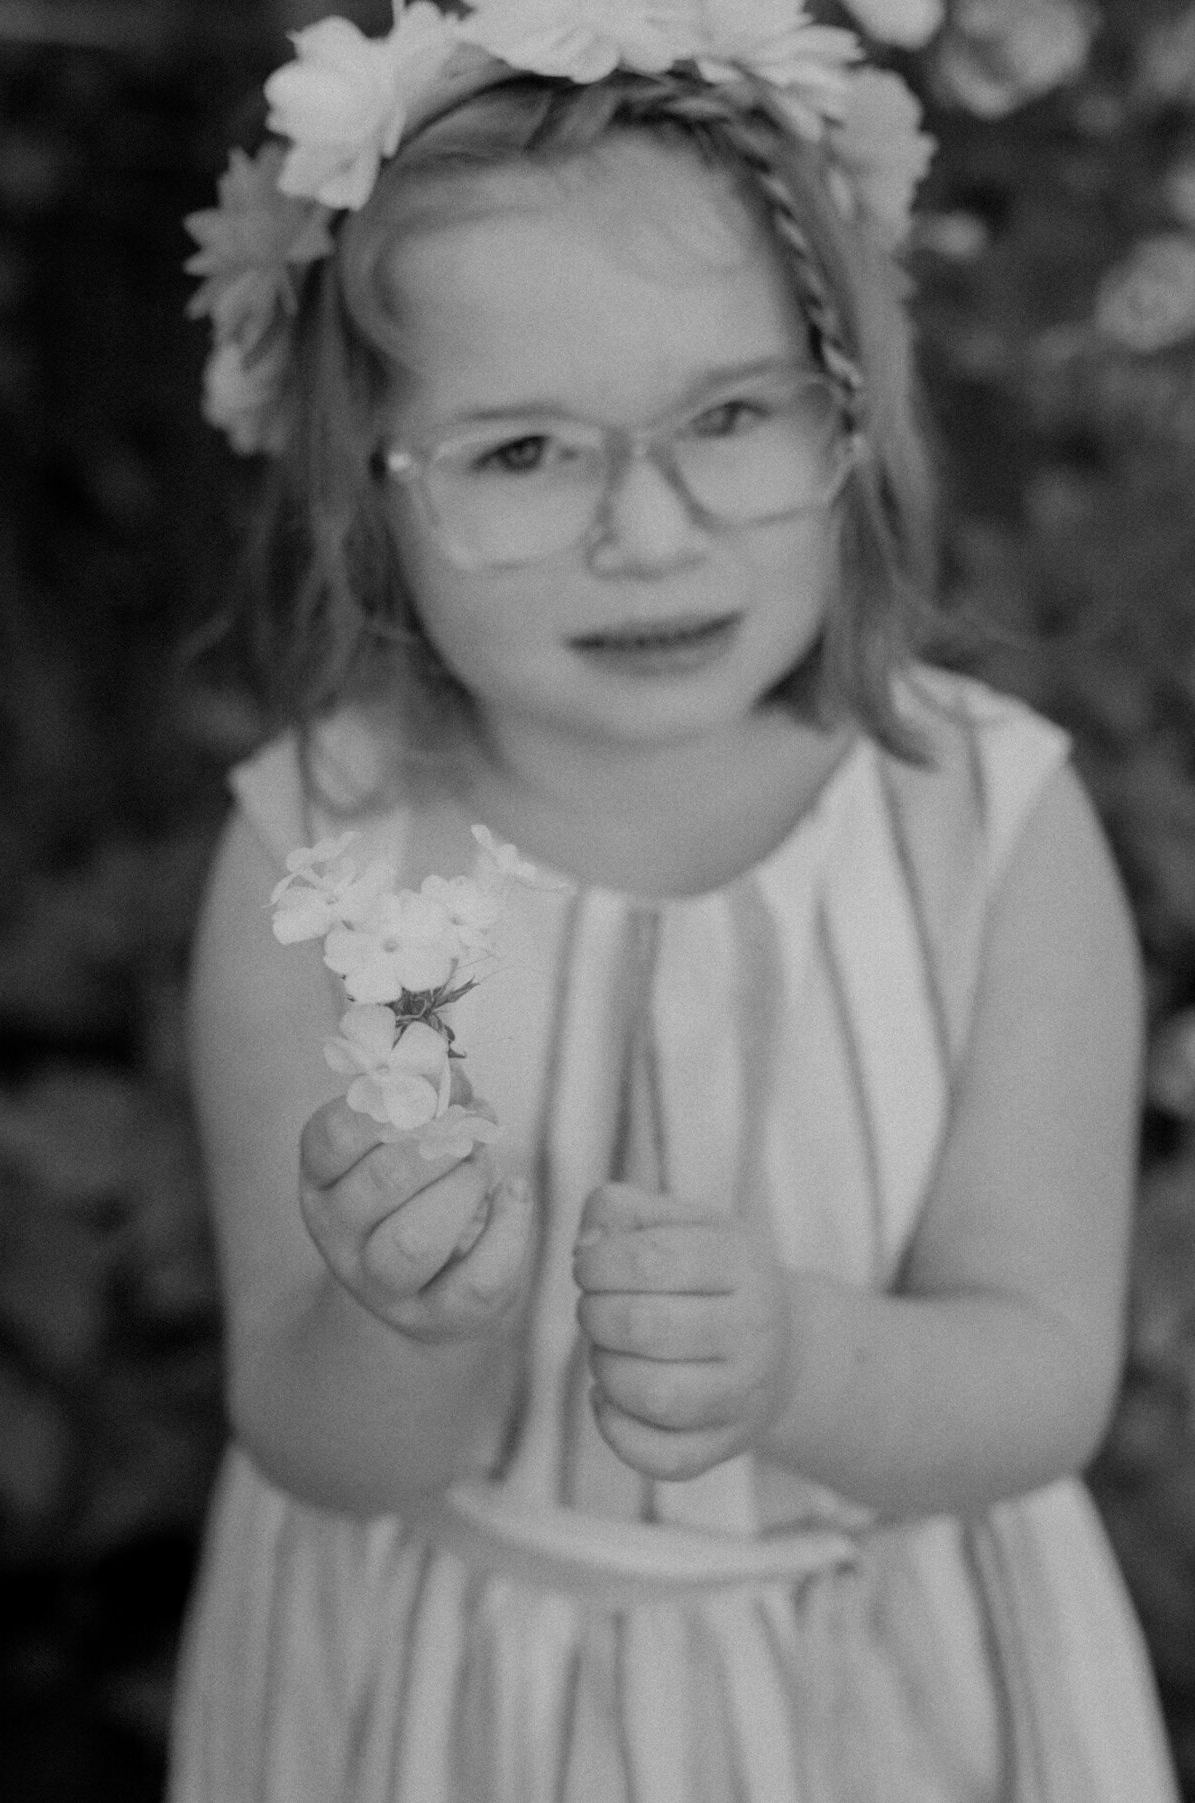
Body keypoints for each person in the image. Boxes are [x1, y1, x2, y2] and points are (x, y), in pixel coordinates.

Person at [171, 3, 1180, 1798]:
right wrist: (407, 1328)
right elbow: (314, 1442)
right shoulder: (318, 863)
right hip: (448, 1700)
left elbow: (1038, 1372)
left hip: (882, 1694)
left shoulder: (989, 832)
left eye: (726, 413)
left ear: (850, 411)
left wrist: (798, 1364)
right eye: (520, 452)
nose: (647, 534)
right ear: (367, 493)